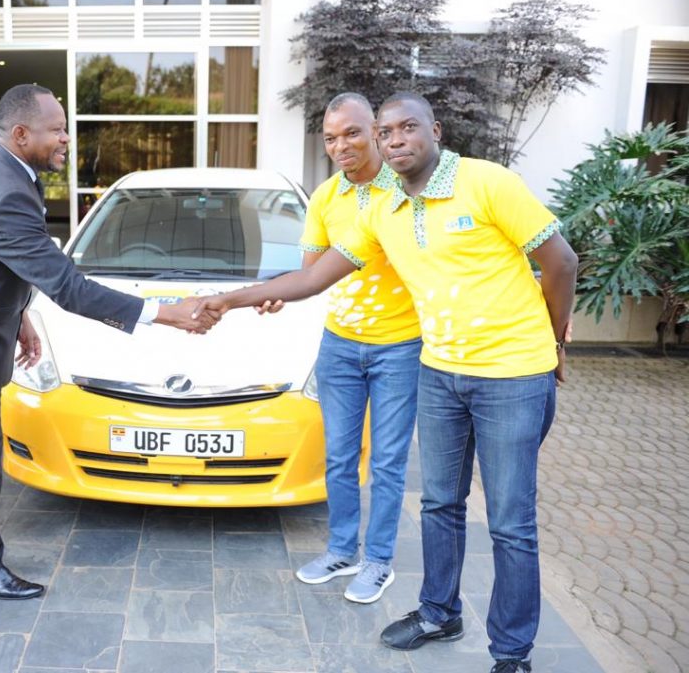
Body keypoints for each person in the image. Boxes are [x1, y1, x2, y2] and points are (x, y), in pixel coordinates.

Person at [193, 92, 577, 673]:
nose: (395, 140)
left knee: (509, 523)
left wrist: (551, 344)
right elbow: (314, 276)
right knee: (440, 503)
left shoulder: (486, 182)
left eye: (406, 128)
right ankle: (438, 613)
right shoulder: (381, 209)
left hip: (511, 376)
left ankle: (512, 653)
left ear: (434, 130)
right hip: (441, 371)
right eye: (386, 130)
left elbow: (561, 262)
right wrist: (228, 298)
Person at [0, 83, 218, 602]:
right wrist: (164, 314)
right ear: (22, 135)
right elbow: (67, 286)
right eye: (58, 128)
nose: (67, 137)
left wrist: (18, 313)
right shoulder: (6, 191)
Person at [292, 93, 421, 605]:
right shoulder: (325, 196)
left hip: (400, 346)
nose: (340, 145)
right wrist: (276, 297)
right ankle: (342, 550)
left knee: (387, 462)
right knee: (340, 457)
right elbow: (310, 273)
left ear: (376, 131)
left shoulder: (405, 189)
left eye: (351, 133)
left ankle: (379, 562)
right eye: (330, 137)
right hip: (340, 346)